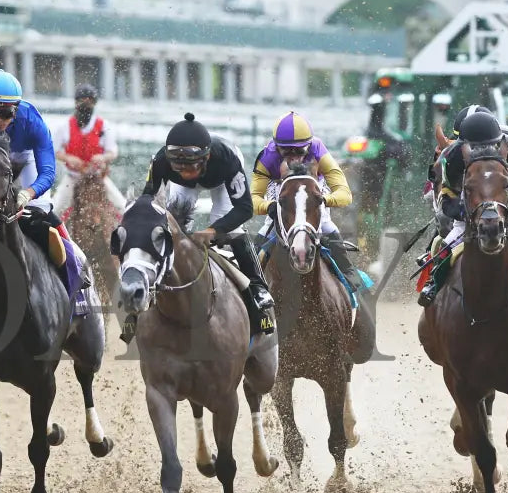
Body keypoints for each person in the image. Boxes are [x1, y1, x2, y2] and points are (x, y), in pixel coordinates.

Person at [0, 69, 87, 302]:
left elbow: (47, 171)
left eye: (6, 114)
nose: (0, 121)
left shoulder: (32, 120)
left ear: (17, 109)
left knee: (45, 211)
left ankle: (74, 276)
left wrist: (29, 193)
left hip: (24, 157)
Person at [143, 112, 274, 337]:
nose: (186, 174)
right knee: (176, 226)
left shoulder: (226, 159)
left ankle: (257, 287)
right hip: (189, 184)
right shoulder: (161, 162)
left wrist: (212, 231)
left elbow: (244, 208)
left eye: (191, 167)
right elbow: (146, 201)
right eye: (179, 168)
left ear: (206, 157)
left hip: (221, 179)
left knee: (227, 228)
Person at [418, 109, 508, 308]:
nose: (482, 153)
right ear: (463, 146)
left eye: (488, 147)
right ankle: (433, 283)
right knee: (450, 240)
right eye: (474, 148)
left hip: (506, 201)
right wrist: (462, 215)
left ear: (499, 143)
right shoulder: (453, 157)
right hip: (469, 204)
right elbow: (446, 199)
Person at [251, 110, 362, 294]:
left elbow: (344, 194)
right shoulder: (267, 157)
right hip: (282, 191)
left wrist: (321, 201)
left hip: (311, 191)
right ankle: (252, 281)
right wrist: (269, 206)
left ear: (308, 145)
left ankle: (349, 274)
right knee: (266, 229)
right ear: (276, 147)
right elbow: (253, 199)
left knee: (326, 225)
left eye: (300, 150)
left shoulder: (318, 150)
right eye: (286, 151)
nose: (293, 156)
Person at [52, 84, 125, 215]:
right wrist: (68, 158)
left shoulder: (104, 126)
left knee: (122, 207)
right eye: (82, 100)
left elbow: (113, 152)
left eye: (90, 101)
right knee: (54, 210)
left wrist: (102, 157)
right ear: (76, 103)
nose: (86, 104)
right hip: (73, 177)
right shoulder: (64, 126)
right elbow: (53, 151)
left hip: (97, 177)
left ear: (95, 103)